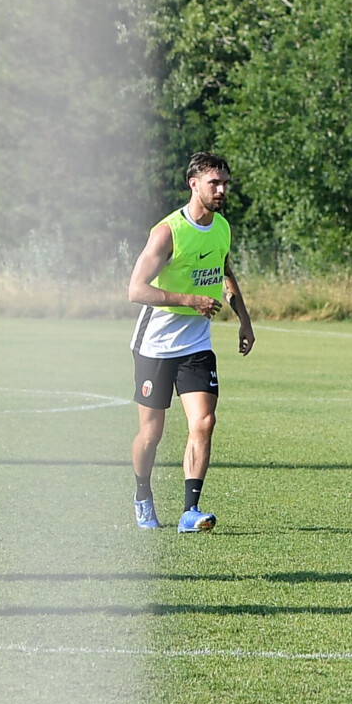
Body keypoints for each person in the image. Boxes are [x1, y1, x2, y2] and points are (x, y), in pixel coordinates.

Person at [128, 152, 255, 532]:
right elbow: (136, 289)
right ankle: (142, 495)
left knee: (204, 421)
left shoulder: (221, 228)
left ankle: (190, 511)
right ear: (193, 184)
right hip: (156, 345)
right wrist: (191, 300)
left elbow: (224, 271)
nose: (221, 189)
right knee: (151, 435)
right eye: (214, 182)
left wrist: (244, 319)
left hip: (196, 345)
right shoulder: (167, 232)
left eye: (225, 183)